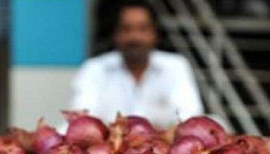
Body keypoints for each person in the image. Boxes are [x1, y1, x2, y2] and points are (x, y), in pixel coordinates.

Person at [69, 0, 204, 129]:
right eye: (126, 29)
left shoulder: (175, 66)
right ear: (115, 34)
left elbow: (190, 116)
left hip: (164, 148)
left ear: (154, 33)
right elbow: (82, 120)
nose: (134, 37)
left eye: (142, 29)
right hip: (109, 148)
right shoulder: (94, 68)